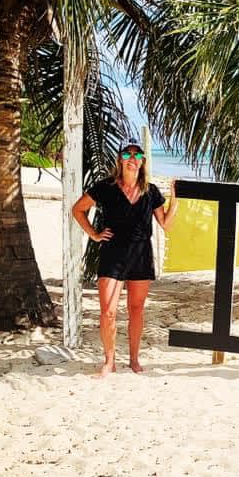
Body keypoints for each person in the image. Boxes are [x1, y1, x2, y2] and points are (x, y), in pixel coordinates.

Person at [72, 139, 179, 377]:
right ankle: (109, 360)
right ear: (120, 159)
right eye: (128, 154)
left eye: (138, 156)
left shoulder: (150, 191)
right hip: (113, 254)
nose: (133, 159)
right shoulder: (105, 187)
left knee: (136, 309)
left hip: (141, 255)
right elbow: (77, 209)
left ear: (142, 163)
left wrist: (175, 199)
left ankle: (133, 358)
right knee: (108, 311)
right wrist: (94, 234)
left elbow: (166, 225)